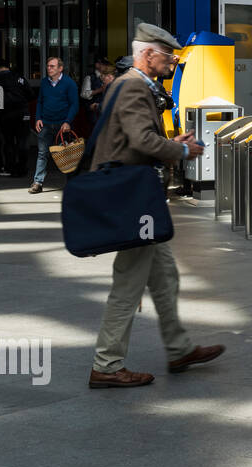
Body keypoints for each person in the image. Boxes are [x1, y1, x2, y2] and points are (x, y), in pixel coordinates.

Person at [86, 23, 224, 389]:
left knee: (165, 277)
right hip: (133, 203)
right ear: (147, 54)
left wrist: (171, 142)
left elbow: (135, 139)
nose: (172, 63)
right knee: (129, 283)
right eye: (168, 57)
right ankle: (106, 364)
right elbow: (141, 140)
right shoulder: (133, 86)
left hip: (138, 199)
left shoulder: (130, 84)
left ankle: (178, 349)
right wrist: (180, 149)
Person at [29, 57, 80, 194]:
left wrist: (68, 121)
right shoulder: (45, 82)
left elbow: (75, 105)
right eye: (48, 66)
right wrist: (38, 118)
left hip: (62, 125)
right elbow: (40, 101)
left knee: (68, 154)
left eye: (52, 66)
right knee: (42, 153)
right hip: (46, 123)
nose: (49, 68)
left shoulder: (69, 84)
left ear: (60, 68)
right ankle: (38, 183)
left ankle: (71, 183)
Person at [0, 61, 31, 177]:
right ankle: (22, 167)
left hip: (5, 115)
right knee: (23, 141)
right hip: (22, 113)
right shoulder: (19, 77)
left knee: (8, 142)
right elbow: (30, 94)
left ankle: (10, 167)